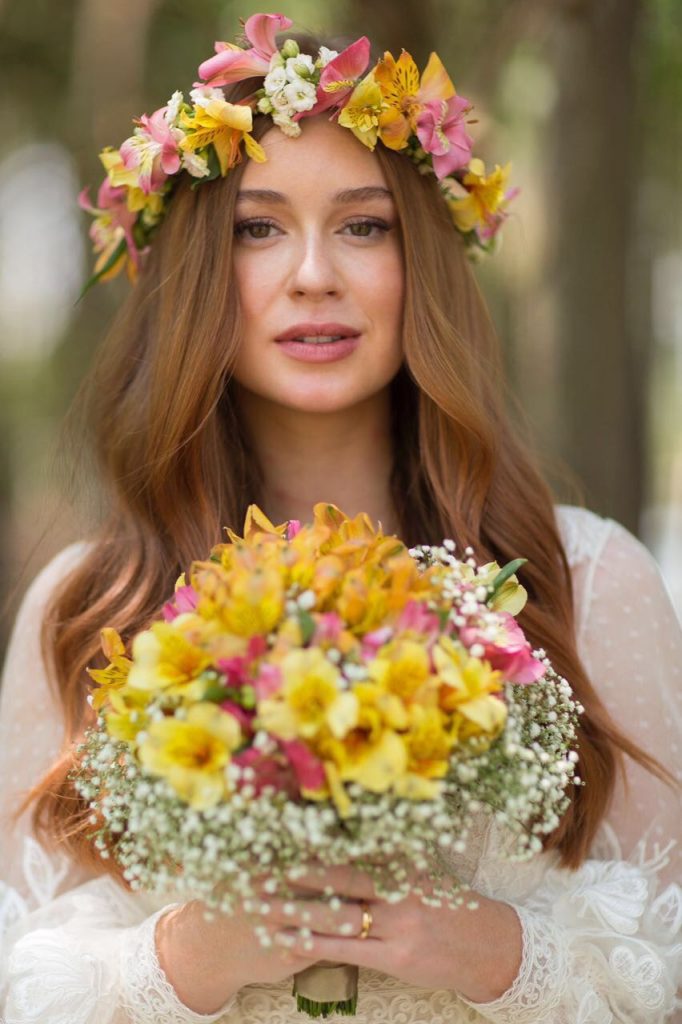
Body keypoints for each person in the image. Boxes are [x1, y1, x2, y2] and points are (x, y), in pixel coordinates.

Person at [0, 13, 680, 1024]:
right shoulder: (87, 604)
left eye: (364, 225)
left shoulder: (588, 579)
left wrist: (490, 950)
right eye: (256, 227)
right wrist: (185, 957)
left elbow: (666, 962)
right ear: (191, 270)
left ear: (425, 264)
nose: (313, 272)